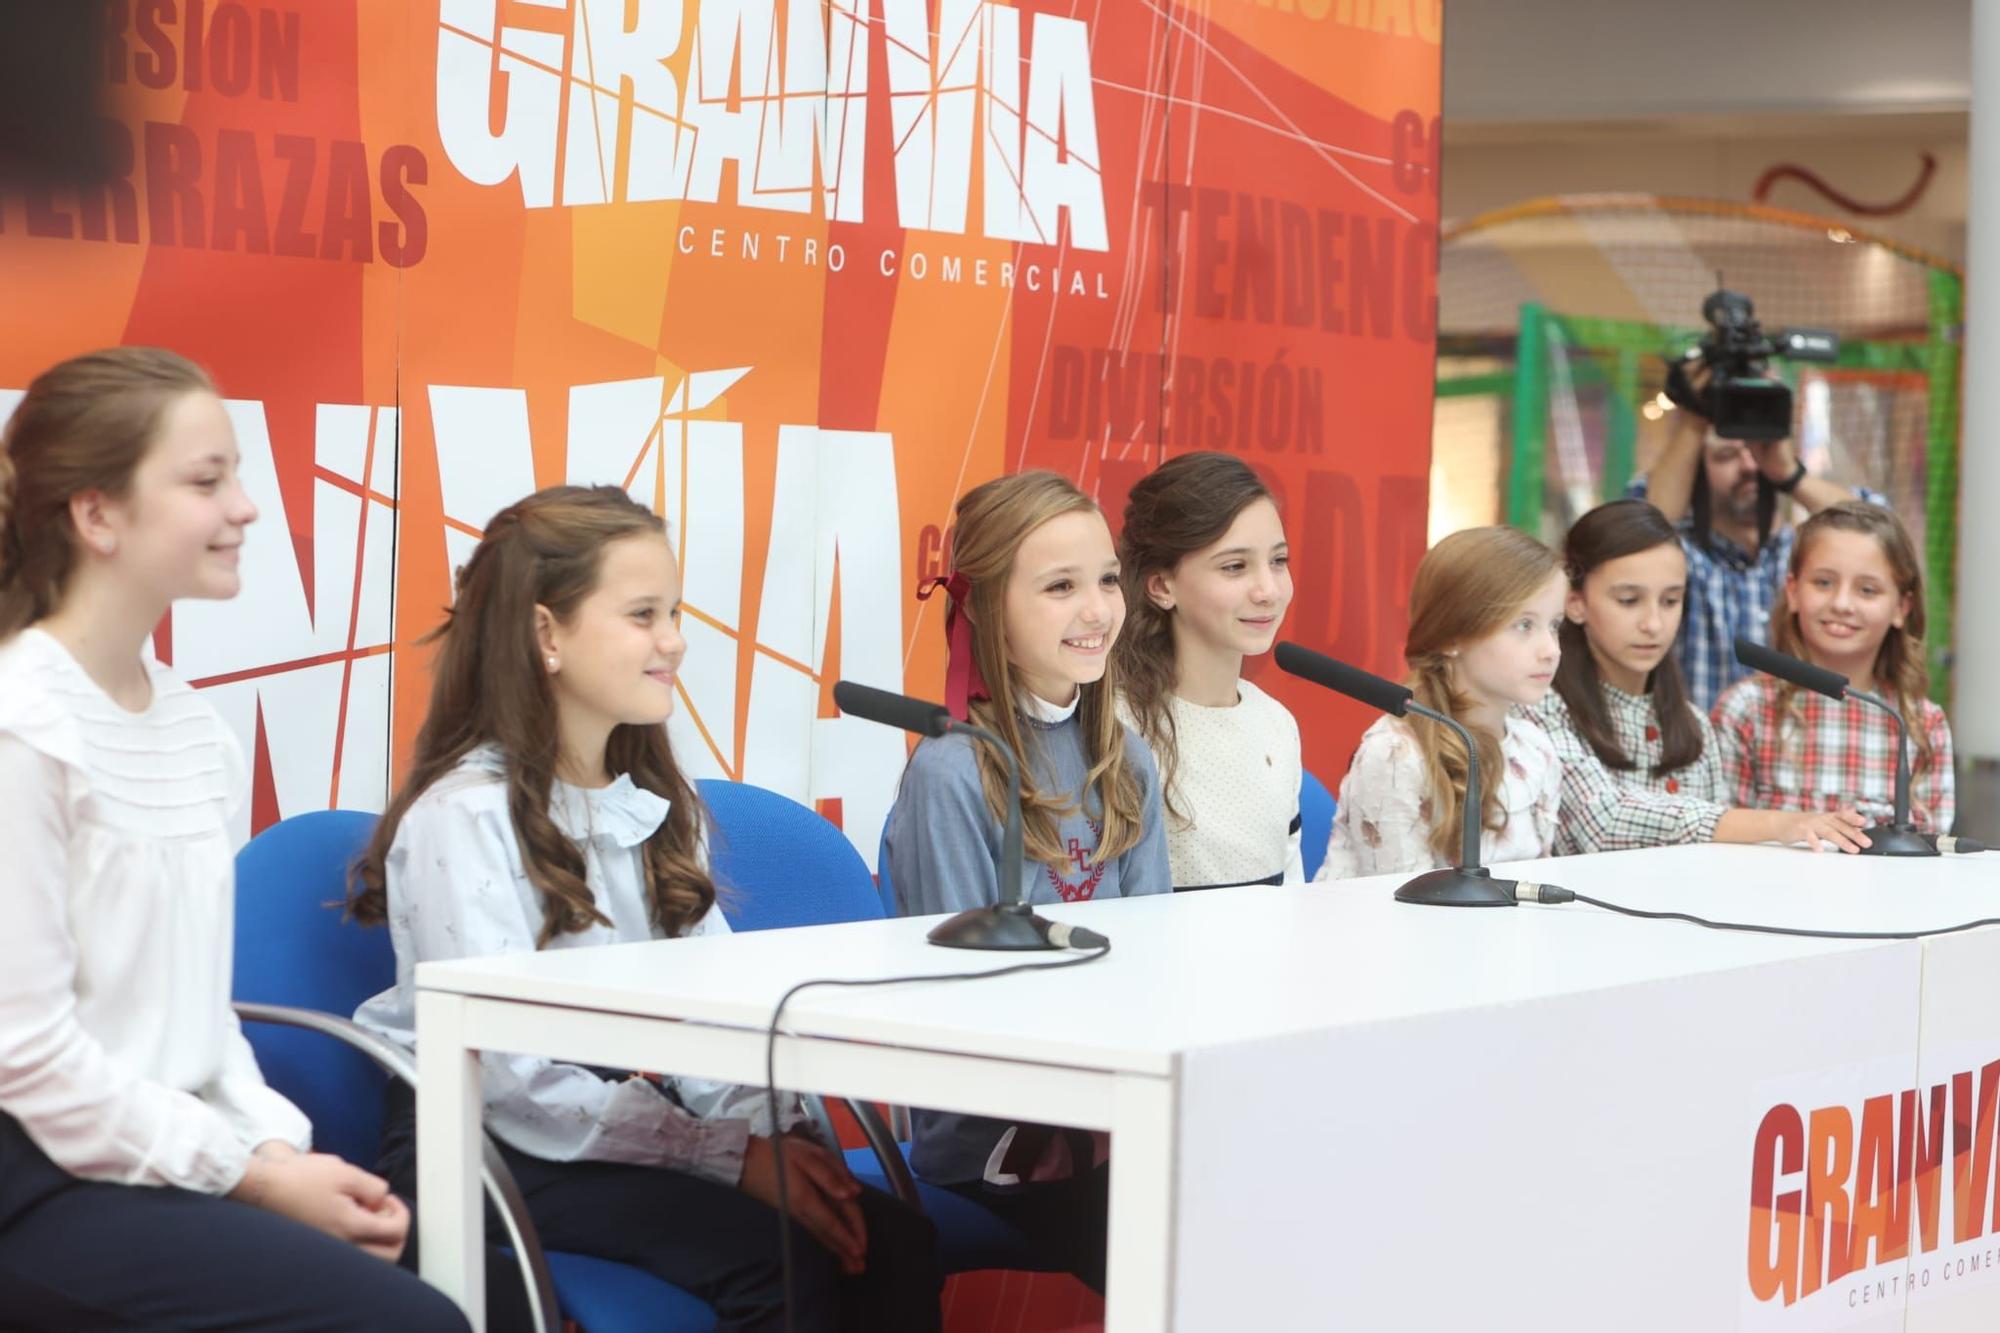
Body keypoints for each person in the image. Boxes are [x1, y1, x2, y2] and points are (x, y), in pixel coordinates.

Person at [351, 485, 942, 1333]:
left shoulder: (657, 804)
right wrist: (734, 1158)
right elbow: (514, 1082)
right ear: (546, 632)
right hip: (480, 1143)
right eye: (643, 615)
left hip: (616, 1122)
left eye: (673, 612)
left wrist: (780, 1138)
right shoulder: (462, 817)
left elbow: (717, 1021)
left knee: (892, 1241)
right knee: (781, 1264)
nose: (674, 641)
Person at [0, 347, 466, 1331]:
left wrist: (275, 1153)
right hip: (31, 1178)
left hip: (151, 1160)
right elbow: (29, 1059)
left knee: (461, 1274)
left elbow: (197, 1023)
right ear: (97, 515)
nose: (247, 507)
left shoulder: (193, 729)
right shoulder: (21, 725)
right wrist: (249, 1177)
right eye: (207, 480)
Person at [884, 469, 1170, 1288]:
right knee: (1186, 1240)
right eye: (1059, 586)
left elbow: (1160, 962)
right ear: (985, 611)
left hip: (1116, 1113)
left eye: (1107, 579)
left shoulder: (1127, 758)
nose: (1097, 609)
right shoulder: (951, 772)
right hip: (1001, 1142)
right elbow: (965, 1001)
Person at [1534, 499, 1871, 855]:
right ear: (1576, 603)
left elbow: (1712, 860)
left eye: (1670, 601)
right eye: (1629, 600)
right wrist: (1779, 823)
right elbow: (1601, 822)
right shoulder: (1543, 707)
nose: (1653, 624)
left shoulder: (1693, 724)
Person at [1315, 526, 1564, 880]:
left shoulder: (1536, 749)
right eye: (1524, 625)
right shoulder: (1396, 756)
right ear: (1452, 636)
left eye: (1555, 625)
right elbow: (1396, 913)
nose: (1551, 650)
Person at [1114, 451, 1303, 890]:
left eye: (1278, 560)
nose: (1269, 590)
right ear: (1162, 586)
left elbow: (1294, 892)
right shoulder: (1115, 728)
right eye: (1235, 567)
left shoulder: (1276, 723)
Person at [1710, 501, 1953, 834]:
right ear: (1793, 591)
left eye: (1867, 590)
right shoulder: (1746, 709)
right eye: (1823, 583)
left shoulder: (1924, 725)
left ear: (1901, 607)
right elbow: (1717, 835)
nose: (1841, 604)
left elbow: (1930, 857)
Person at [1629, 401, 1885, 709]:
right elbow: (1634, 525)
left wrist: (1791, 475)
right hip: (1697, 752)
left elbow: (1882, 534)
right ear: (1697, 469)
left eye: (1760, 450)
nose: (1750, 465)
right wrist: (1693, 423)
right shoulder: (1684, 558)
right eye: (1726, 455)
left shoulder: (1806, 557)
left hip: (1794, 750)